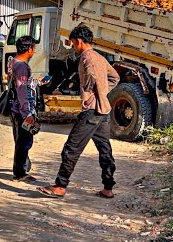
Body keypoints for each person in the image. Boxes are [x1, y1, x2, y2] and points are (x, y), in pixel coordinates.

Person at [38, 25, 120, 199]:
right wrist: (103, 93)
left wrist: (91, 95)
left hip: (91, 111)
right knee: (104, 149)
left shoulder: (87, 57)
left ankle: (60, 186)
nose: (74, 46)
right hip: (103, 111)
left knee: (71, 148)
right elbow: (115, 77)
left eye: (73, 43)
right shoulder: (100, 57)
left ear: (79, 41)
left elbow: (94, 77)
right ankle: (108, 188)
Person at [7, 35, 41, 183]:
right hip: (22, 109)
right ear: (29, 49)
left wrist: (36, 82)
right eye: (33, 47)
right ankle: (19, 172)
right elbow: (21, 91)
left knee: (22, 139)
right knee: (24, 141)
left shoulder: (14, 62)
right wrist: (27, 113)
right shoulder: (21, 66)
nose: (34, 50)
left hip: (16, 108)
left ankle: (22, 167)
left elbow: (22, 84)